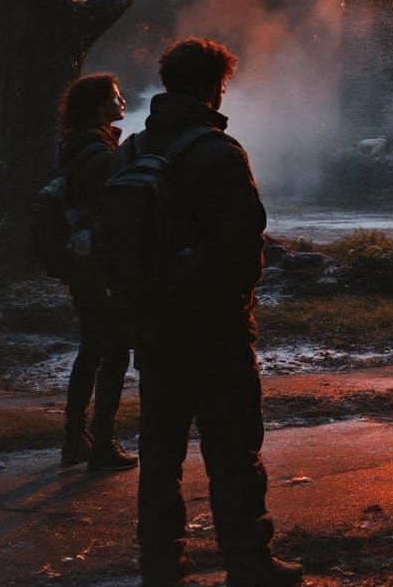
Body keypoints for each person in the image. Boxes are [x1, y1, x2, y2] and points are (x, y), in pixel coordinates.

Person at [130, 38, 303, 587]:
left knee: (159, 450)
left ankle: (160, 561)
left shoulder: (132, 150)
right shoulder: (219, 151)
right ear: (215, 86)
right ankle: (249, 563)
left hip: (153, 326)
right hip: (215, 329)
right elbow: (242, 248)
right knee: (231, 446)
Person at [57, 73, 137, 472]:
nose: (122, 101)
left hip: (82, 262)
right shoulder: (103, 155)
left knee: (91, 350)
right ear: (98, 107)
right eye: (115, 96)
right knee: (115, 354)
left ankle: (75, 439)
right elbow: (116, 212)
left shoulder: (75, 147)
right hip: (104, 267)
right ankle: (102, 441)